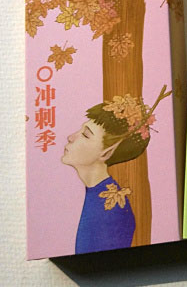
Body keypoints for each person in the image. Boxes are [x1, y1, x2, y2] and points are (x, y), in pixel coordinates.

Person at [61, 86, 170, 254]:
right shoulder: (95, 194)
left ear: (107, 152)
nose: (70, 137)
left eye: (85, 135)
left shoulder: (111, 209)